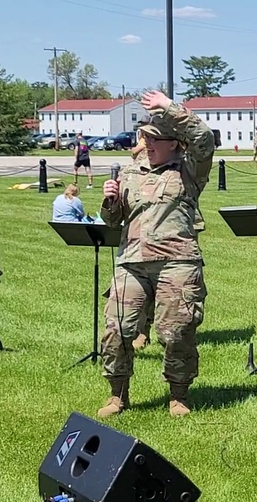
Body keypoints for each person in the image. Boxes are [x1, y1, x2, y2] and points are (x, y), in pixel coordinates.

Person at [97, 90, 214, 418]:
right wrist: (110, 201)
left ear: (174, 143)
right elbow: (114, 220)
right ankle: (117, 394)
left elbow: (203, 137)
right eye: (145, 137)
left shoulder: (190, 171)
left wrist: (169, 107)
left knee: (176, 331)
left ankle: (178, 394)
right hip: (132, 261)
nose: (147, 144)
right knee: (117, 328)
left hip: (177, 261)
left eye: (155, 139)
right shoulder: (132, 171)